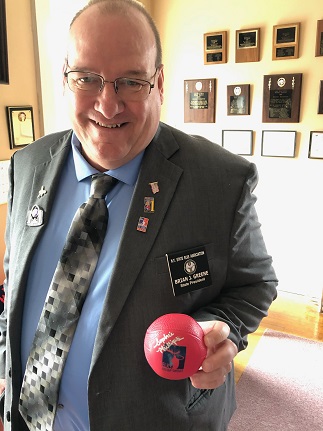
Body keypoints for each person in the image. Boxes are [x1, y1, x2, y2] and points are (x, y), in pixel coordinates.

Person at [0, 0, 278, 430]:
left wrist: (220, 329)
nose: (108, 105)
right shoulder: (26, 165)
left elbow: (255, 284)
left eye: (130, 81)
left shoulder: (222, 182)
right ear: (65, 79)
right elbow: (15, 278)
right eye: (87, 78)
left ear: (159, 82)